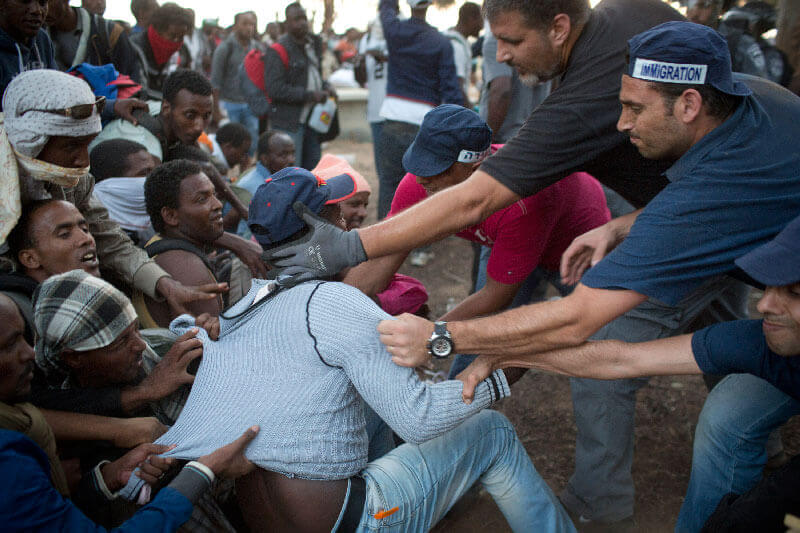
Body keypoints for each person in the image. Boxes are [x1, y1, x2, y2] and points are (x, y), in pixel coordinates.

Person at [265, 16, 800, 529]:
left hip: (578, 250)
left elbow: (574, 319)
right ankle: (766, 420)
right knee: (739, 364)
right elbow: (622, 352)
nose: (620, 124)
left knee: (639, 340)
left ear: (688, 103)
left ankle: (601, 505)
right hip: (743, 268)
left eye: (634, 108)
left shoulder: (533, 205)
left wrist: (442, 337)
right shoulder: (745, 103)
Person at [119, 165, 576, 533]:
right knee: (490, 431)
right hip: (352, 520)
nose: (351, 219)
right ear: (324, 229)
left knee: (368, 400)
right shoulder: (331, 301)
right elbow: (420, 418)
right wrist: (510, 365)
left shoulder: (246, 307)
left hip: (268, 517)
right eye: (337, 214)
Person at [461, 213, 800, 531]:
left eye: (794, 292)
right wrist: (508, 355)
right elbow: (621, 359)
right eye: (766, 286)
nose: (763, 305)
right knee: (728, 420)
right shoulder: (756, 341)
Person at [345, 104, 609, 366]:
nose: (423, 179)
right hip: (507, 239)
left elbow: (495, 296)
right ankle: (466, 401)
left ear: (473, 167)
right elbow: (380, 263)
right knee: (471, 351)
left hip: (575, 244)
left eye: (437, 168)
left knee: (597, 344)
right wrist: (332, 304)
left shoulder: (520, 202)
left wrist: (428, 336)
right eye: (420, 163)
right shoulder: (420, 182)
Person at [0, 291, 260, 533]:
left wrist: (107, 479)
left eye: (136, 329)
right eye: (118, 342)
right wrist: (200, 473)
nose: (140, 345)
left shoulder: (164, 348)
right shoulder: (10, 462)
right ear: (73, 358)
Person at [1, 69, 222, 320]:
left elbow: (108, 238)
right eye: (72, 146)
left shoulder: (74, 178)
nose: (84, 160)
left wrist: (164, 283)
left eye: (87, 144)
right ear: (32, 140)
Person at [375, 0, 464, 219]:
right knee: (423, 187)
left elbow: (385, 8)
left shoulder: (395, 31)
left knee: (389, 183)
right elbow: (451, 92)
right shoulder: (441, 42)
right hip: (425, 124)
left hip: (393, 120)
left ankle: (383, 240)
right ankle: (420, 247)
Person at [138, 159, 252, 328]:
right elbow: (215, 348)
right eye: (202, 199)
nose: (218, 204)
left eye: (214, 195)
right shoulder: (188, 269)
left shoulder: (163, 244)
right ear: (170, 216)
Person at [263, 3, 332, 170]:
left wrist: (326, 86)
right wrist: (310, 95)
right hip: (290, 122)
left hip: (312, 120)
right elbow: (275, 89)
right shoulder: (278, 49)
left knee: (313, 172)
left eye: (304, 18)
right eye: (297, 19)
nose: (302, 23)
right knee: (292, 172)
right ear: (287, 23)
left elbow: (314, 73)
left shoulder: (312, 43)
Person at [46, 0, 141, 81]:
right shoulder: (37, 37)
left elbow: (131, 79)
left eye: (47, 1)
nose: (41, 8)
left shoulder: (110, 32)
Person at [90, 139, 158, 244]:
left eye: (154, 172)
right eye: (144, 173)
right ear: (112, 185)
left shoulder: (157, 221)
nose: (155, 179)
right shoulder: (91, 232)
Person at [210, 11, 260, 149]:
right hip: (229, 104)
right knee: (230, 146)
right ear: (235, 26)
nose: (249, 28)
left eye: (252, 24)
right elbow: (215, 81)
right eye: (245, 24)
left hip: (250, 105)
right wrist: (216, 111)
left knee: (251, 143)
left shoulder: (256, 48)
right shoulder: (225, 47)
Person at [129, 2, 192, 97]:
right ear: (157, 30)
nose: (176, 42)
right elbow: (138, 92)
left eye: (181, 37)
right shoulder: (134, 48)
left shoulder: (181, 51)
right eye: (173, 36)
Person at [0, 0, 56, 96]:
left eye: (42, 3)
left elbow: (55, 91)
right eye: (25, 1)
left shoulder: (41, 39)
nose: (37, 10)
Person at [444, 2, 483, 106]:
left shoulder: (452, 40)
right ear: (471, 19)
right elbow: (457, 86)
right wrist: (469, 110)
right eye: (481, 20)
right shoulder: (457, 47)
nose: (482, 26)